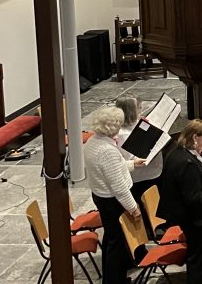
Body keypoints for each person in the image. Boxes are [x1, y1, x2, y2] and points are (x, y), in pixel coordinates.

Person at [159, 121, 202, 284]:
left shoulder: (181, 151)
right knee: (198, 260)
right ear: (195, 137)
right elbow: (194, 199)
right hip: (197, 220)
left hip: (197, 216)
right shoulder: (187, 163)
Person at [84, 107, 143, 284]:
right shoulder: (107, 150)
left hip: (101, 196)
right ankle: (114, 280)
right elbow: (118, 186)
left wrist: (132, 164)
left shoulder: (93, 142)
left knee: (111, 237)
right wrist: (133, 208)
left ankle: (116, 275)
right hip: (112, 201)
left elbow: (111, 168)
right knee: (116, 242)